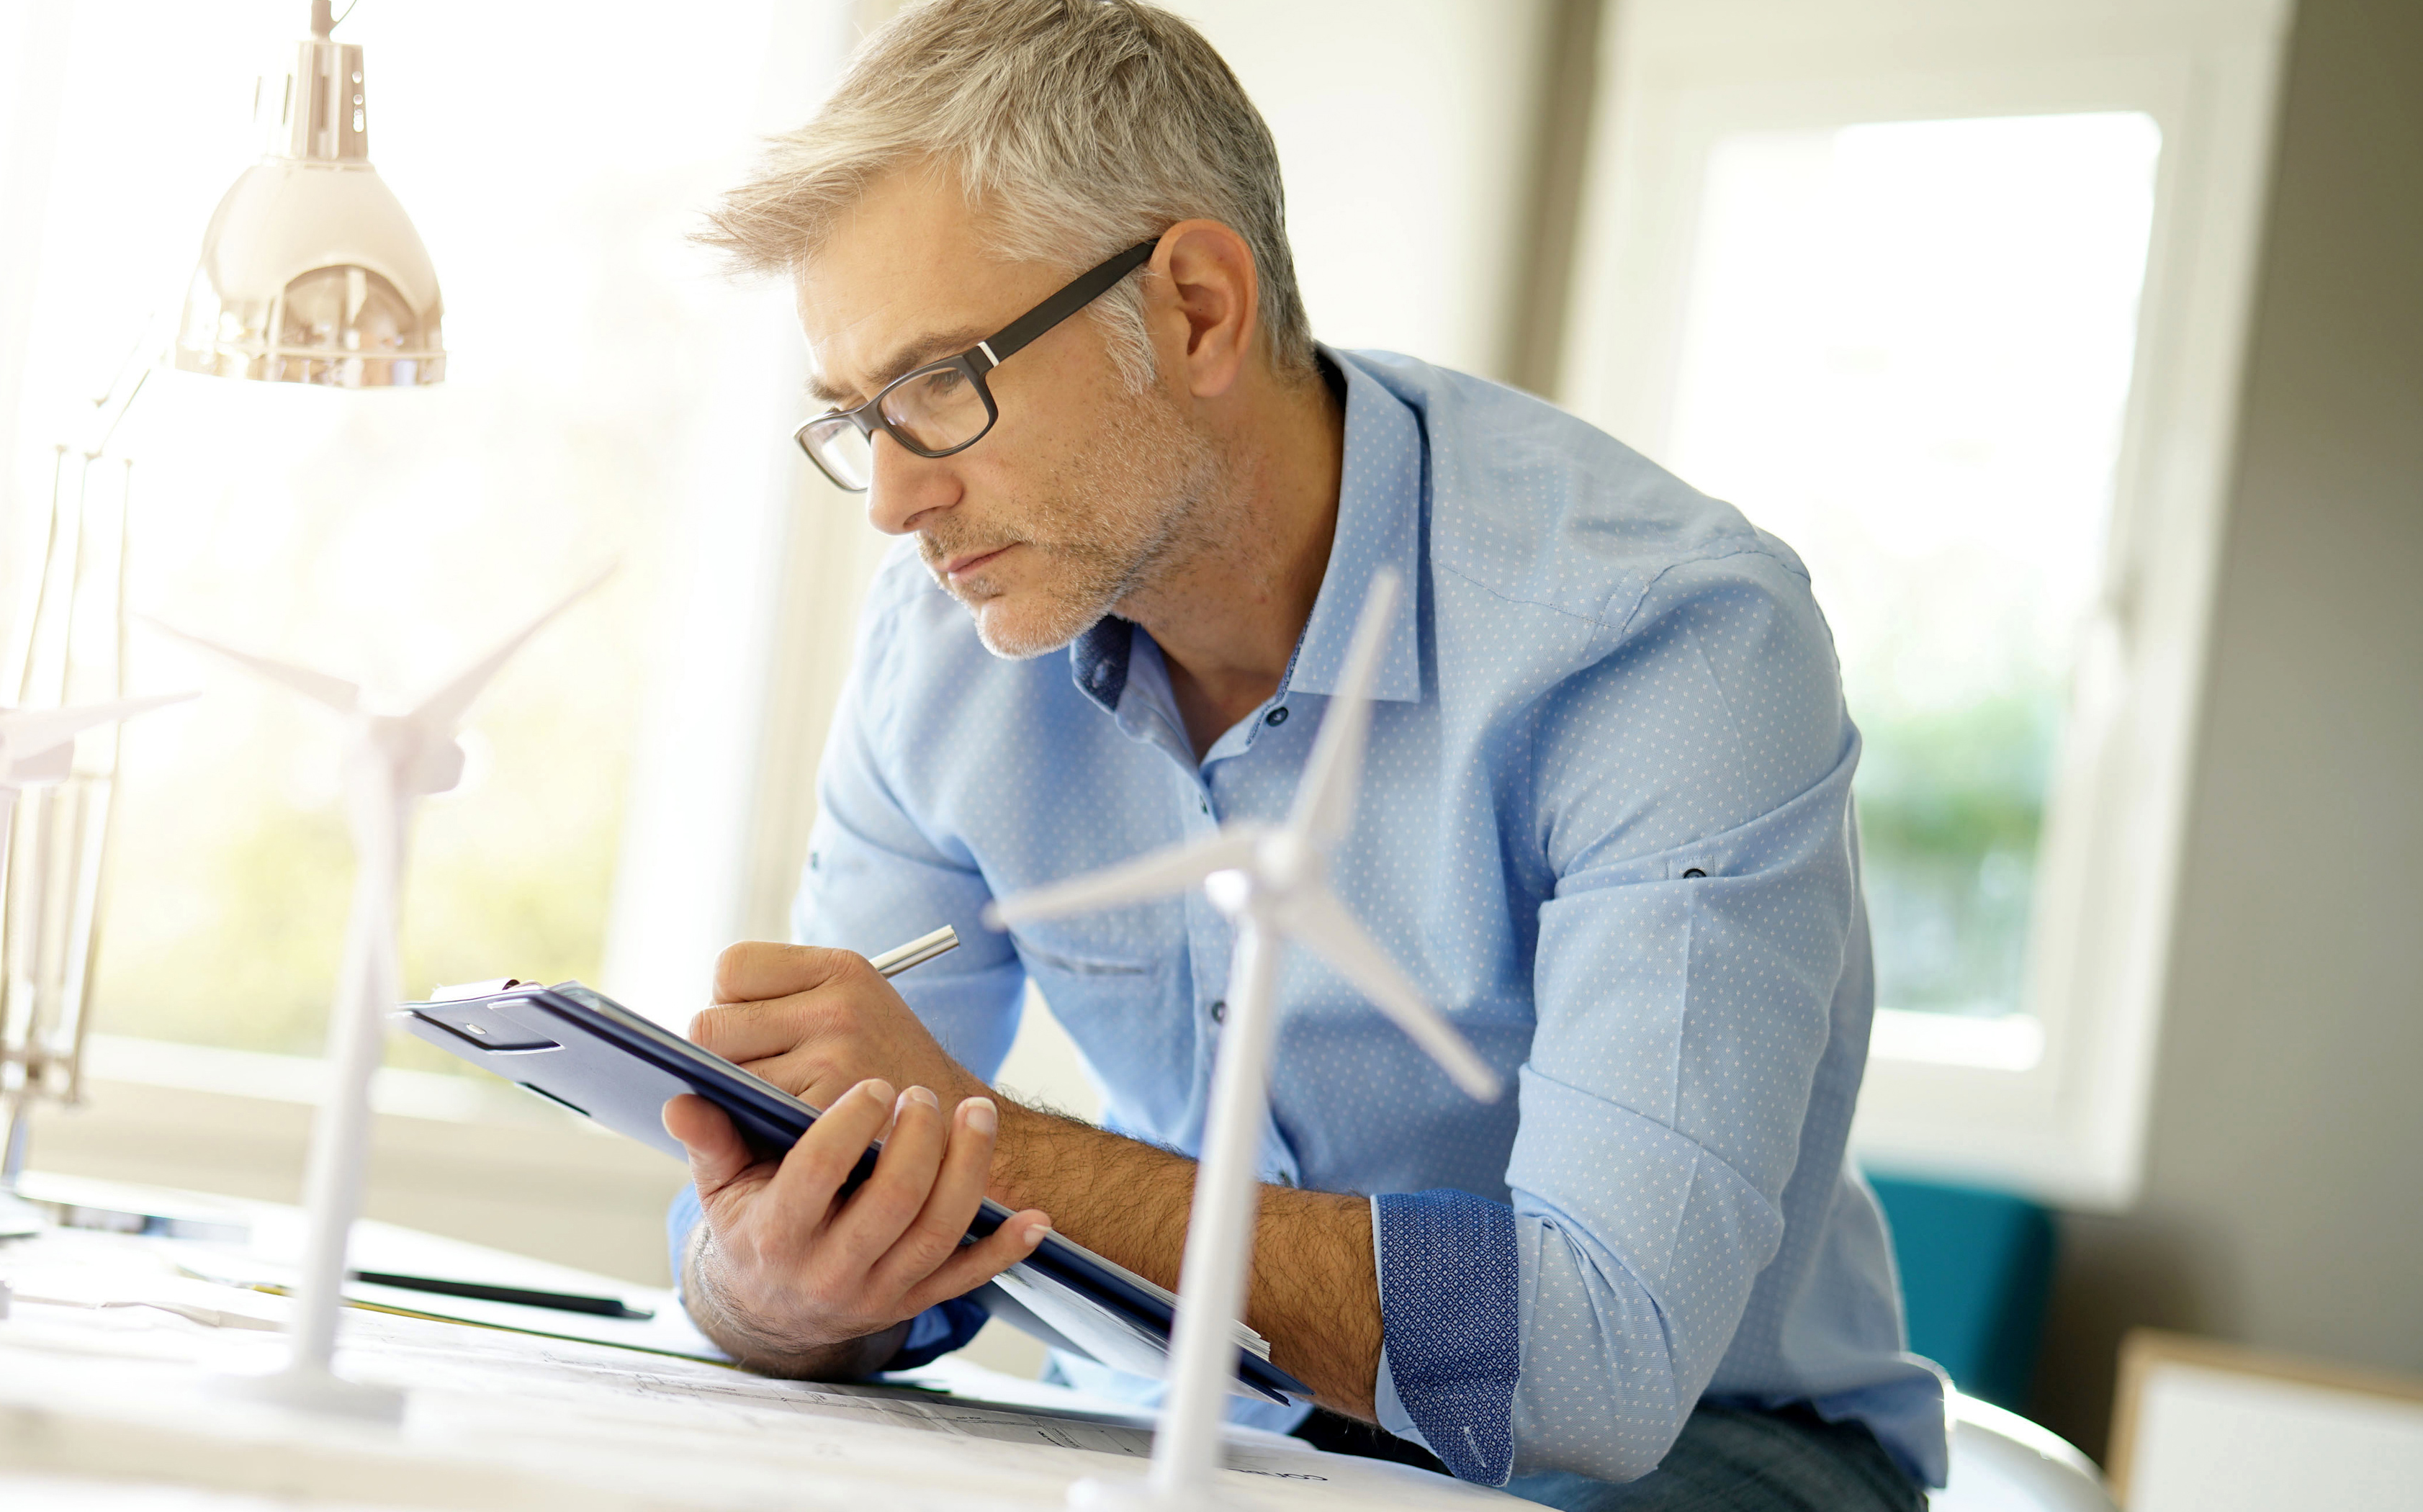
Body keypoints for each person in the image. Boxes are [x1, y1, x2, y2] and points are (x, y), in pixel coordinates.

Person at [653, 2, 1944, 1507]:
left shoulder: (1672, 642)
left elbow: (1594, 1367)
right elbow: (799, 1190)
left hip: (1688, 1462)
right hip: (1161, 1416)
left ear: (1196, 307)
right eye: (857, 418)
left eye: (944, 385)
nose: (891, 500)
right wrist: (780, 1283)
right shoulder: (943, 645)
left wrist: (980, 1153)